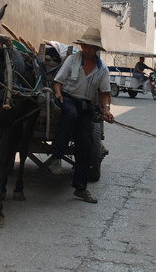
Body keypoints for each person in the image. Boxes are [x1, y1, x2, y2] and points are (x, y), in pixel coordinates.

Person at [48, 26, 114, 203]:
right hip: (68, 99)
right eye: (86, 46)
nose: (89, 50)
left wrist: (106, 109)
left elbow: (105, 93)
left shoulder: (102, 70)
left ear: (97, 50)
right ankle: (57, 156)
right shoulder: (71, 60)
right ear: (83, 47)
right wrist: (58, 93)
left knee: (85, 145)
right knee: (70, 116)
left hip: (86, 105)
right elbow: (58, 82)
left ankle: (81, 188)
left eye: (93, 47)